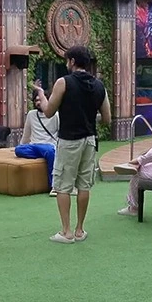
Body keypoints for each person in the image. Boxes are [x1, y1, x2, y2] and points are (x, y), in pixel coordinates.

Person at [34, 46, 111, 244]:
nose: (66, 63)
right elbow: (107, 119)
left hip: (69, 140)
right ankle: (79, 230)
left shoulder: (63, 82)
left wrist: (42, 95)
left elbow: (48, 111)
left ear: (73, 61)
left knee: (63, 185)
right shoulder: (99, 86)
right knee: (84, 185)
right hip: (89, 140)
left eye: (67, 60)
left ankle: (66, 232)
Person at [15, 86, 60, 195]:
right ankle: (42, 155)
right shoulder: (31, 114)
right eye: (36, 101)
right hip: (34, 146)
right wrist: (21, 144)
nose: (38, 103)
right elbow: (26, 134)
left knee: (50, 152)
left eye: (40, 100)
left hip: (49, 146)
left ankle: (53, 186)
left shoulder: (56, 115)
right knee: (18, 150)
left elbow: (61, 133)